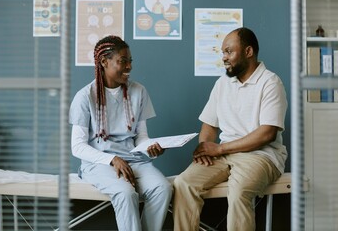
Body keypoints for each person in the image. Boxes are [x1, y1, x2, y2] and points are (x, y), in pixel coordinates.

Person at [172, 27, 288, 231]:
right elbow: (208, 125)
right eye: (223, 52)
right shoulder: (222, 83)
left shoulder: (271, 82)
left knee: (239, 190)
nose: (224, 57)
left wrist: (218, 150)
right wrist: (204, 148)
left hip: (261, 156)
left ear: (248, 52)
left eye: (229, 51)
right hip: (224, 154)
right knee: (183, 184)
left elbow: (267, 134)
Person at [69, 35, 173, 231]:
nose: (129, 67)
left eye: (130, 61)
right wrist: (112, 159)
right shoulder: (84, 97)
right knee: (126, 193)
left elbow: (141, 136)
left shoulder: (139, 91)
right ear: (104, 62)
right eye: (122, 61)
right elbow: (77, 146)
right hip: (99, 164)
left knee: (163, 188)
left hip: (134, 160)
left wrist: (149, 147)